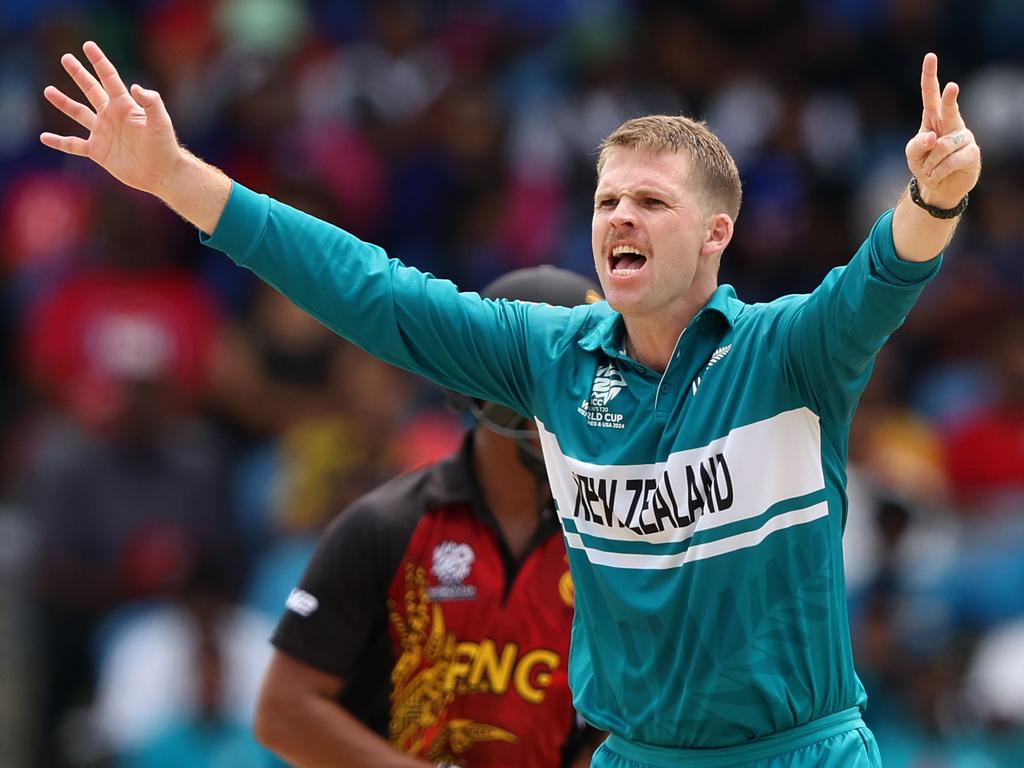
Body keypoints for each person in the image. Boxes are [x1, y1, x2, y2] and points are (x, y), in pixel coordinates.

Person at [41, 41, 982, 768]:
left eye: (652, 201)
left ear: (715, 235)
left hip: (800, 752)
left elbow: (880, 278)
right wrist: (174, 179)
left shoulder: (790, 354)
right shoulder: (550, 357)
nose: (620, 217)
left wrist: (932, 203)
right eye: (609, 199)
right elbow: (367, 287)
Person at [252, 266, 603, 768]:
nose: (590, 406)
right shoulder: (384, 526)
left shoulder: (608, 540)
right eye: (569, 381)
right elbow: (283, 714)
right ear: (490, 387)